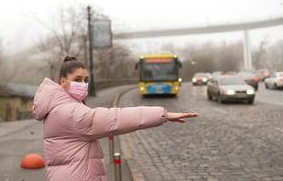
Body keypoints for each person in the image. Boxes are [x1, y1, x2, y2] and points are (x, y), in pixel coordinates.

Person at [32, 56, 198, 181]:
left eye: (86, 80)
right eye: (77, 80)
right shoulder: (69, 113)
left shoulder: (58, 108)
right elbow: (115, 118)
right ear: (63, 82)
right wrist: (164, 115)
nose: (83, 84)